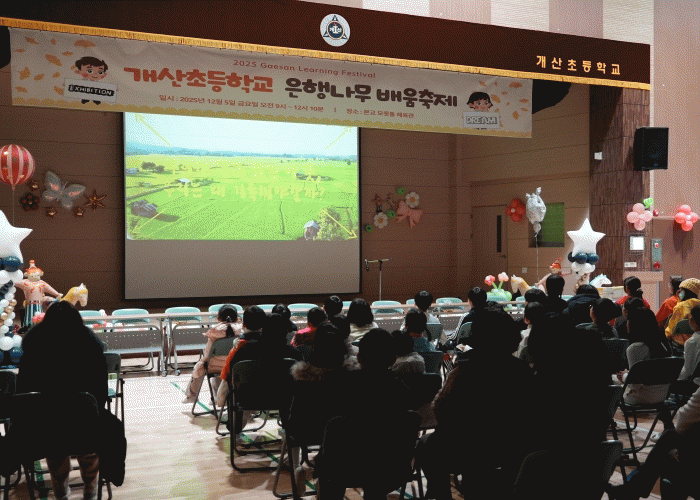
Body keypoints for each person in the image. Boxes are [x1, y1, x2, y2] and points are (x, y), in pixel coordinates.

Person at [419, 308, 533, 500]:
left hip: (469, 449)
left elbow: (440, 408)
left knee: (426, 444)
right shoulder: (524, 371)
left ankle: (442, 495)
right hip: (514, 448)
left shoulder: (465, 371)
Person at [16, 301, 126, 500]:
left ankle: (60, 491)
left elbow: (23, 393)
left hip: (45, 427)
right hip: (85, 423)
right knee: (92, 437)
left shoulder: (33, 349)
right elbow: (100, 393)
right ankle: (91, 489)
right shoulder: (91, 347)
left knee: (55, 443)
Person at [608, 387, 700, 500]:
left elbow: (683, 423)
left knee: (665, 452)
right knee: (667, 442)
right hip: (660, 395)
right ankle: (631, 489)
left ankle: (631, 489)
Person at [614, 308, 672, 410]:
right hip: (662, 396)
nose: (626, 323)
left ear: (635, 324)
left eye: (628, 320)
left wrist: (624, 376)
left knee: (611, 378)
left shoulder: (635, 348)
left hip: (639, 397)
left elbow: (635, 383)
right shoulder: (662, 345)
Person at [182, 304, 241, 403]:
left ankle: (192, 396)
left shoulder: (214, 333)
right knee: (220, 366)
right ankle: (217, 397)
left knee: (202, 366)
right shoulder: (241, 331)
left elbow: (208, 355)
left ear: (218, 318)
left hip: (215, 367)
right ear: (236, 318)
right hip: (236, 367)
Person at [216, 305, 267, 406]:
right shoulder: (273, 345)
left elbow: (227, 373)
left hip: (243, 397)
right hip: (271, 395)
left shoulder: (239, 347)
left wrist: (221, 399)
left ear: (243, 324)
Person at [665, 278, 700, 348]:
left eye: (681, 290)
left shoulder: (680, 307)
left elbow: (671, 330)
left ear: (686, 292)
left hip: (680, 342)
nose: (679, 292)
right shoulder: (698, 305)